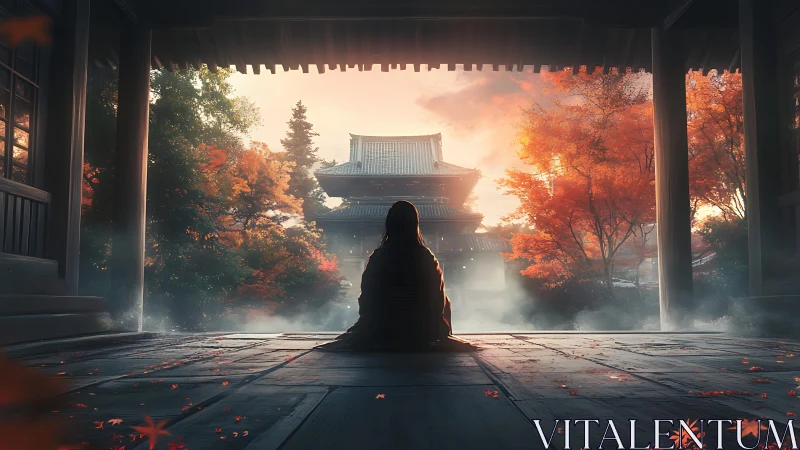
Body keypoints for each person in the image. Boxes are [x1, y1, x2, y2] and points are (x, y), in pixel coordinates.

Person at [327, 200, 473, 351]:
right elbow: (437, 296)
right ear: (415, 224)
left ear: (389, 225)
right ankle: (438, 336)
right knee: (445, 299)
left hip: (382, 328)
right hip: (421, 329)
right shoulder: (425, 256)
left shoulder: (379, 256)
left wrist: (368, 319)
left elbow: (367, 295)